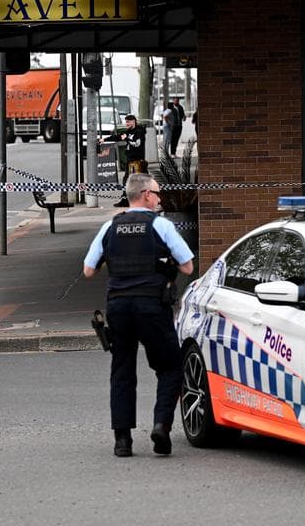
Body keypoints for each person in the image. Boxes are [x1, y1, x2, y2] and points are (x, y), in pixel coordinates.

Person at [82, 173, 195, 458]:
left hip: (119, 308)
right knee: (169, 367)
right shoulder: (161, 226)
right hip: (152, 307)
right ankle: (161, 426)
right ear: (145, 195)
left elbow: (88, 270)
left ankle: (122, 441)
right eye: (157, 193)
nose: (159, 198)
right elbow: (188, 267)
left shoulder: (110, 226)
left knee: (122, 371)